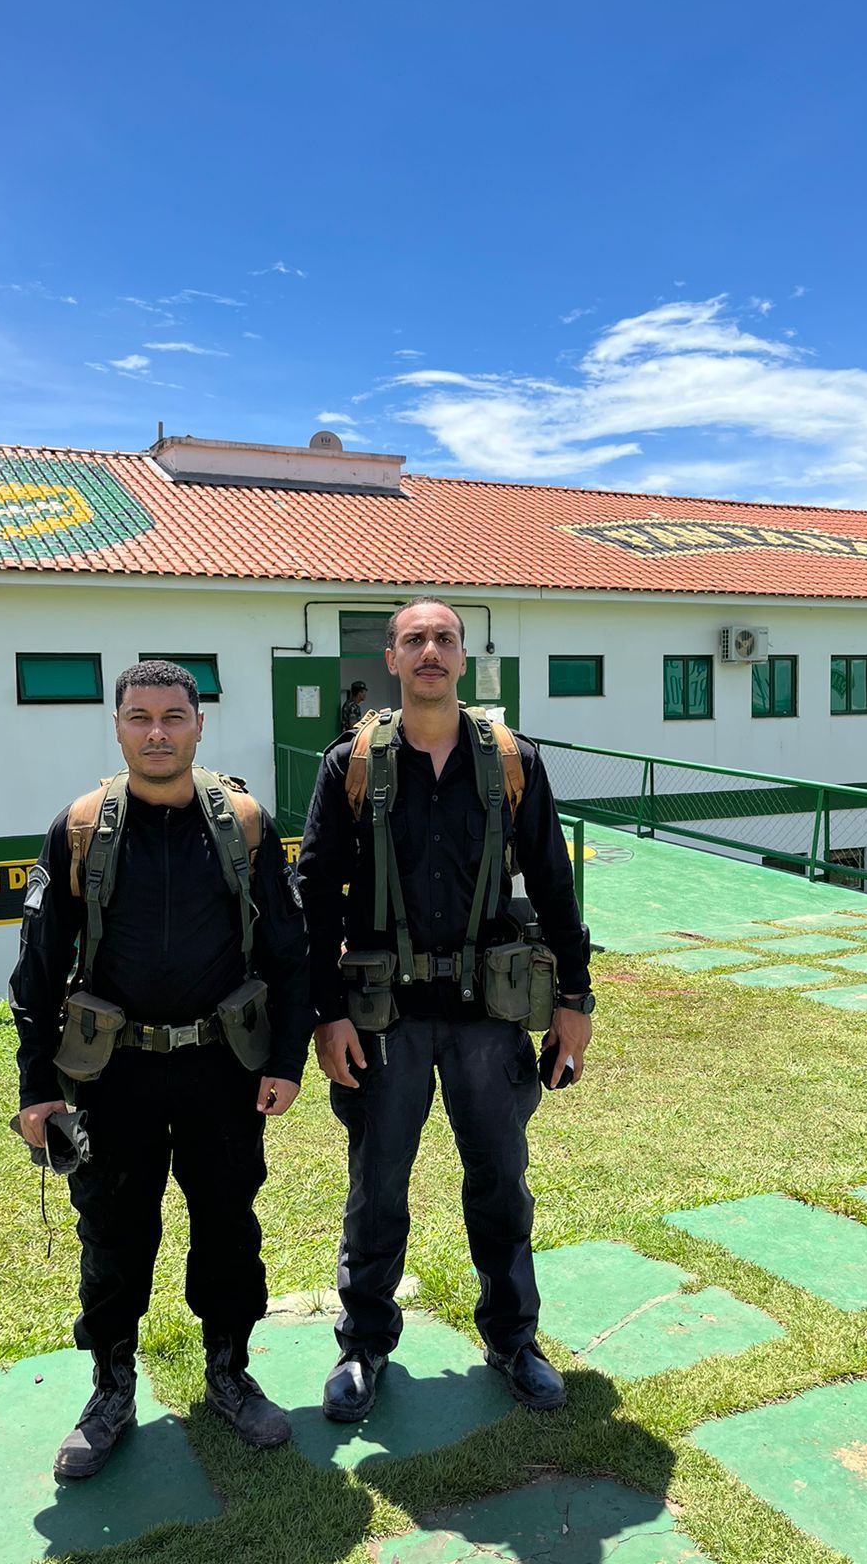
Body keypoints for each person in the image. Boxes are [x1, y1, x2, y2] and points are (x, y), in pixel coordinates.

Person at [10, 659, 313, 1479]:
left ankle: (230, 1372)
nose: (156, 733)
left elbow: (289, 954)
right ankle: (111, 1388)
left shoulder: (243, 824)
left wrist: (287, 1060)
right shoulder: (81, 829)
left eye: (173, 717)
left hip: (222, 1069)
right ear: (117, 727)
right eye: (139, 718)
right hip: (114, 1076)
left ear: (199, 726)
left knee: (228, 1228)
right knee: (113, 1236)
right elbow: (37, 969)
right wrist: (37, 1088)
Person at [297, 597, 593, 1422]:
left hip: (485, 1015)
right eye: (414, 639)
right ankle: (363, 1345)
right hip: (382, 1018)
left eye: (445, 638)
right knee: (376, 1187)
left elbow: (554, 881)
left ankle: (513, 1339)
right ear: (391, 658)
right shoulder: (351, 764)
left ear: (464, 657)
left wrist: (575, 999)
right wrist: (327, 1013)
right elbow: (314, 894)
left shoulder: (512, 761)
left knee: (501, 1183)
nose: (430, 650)